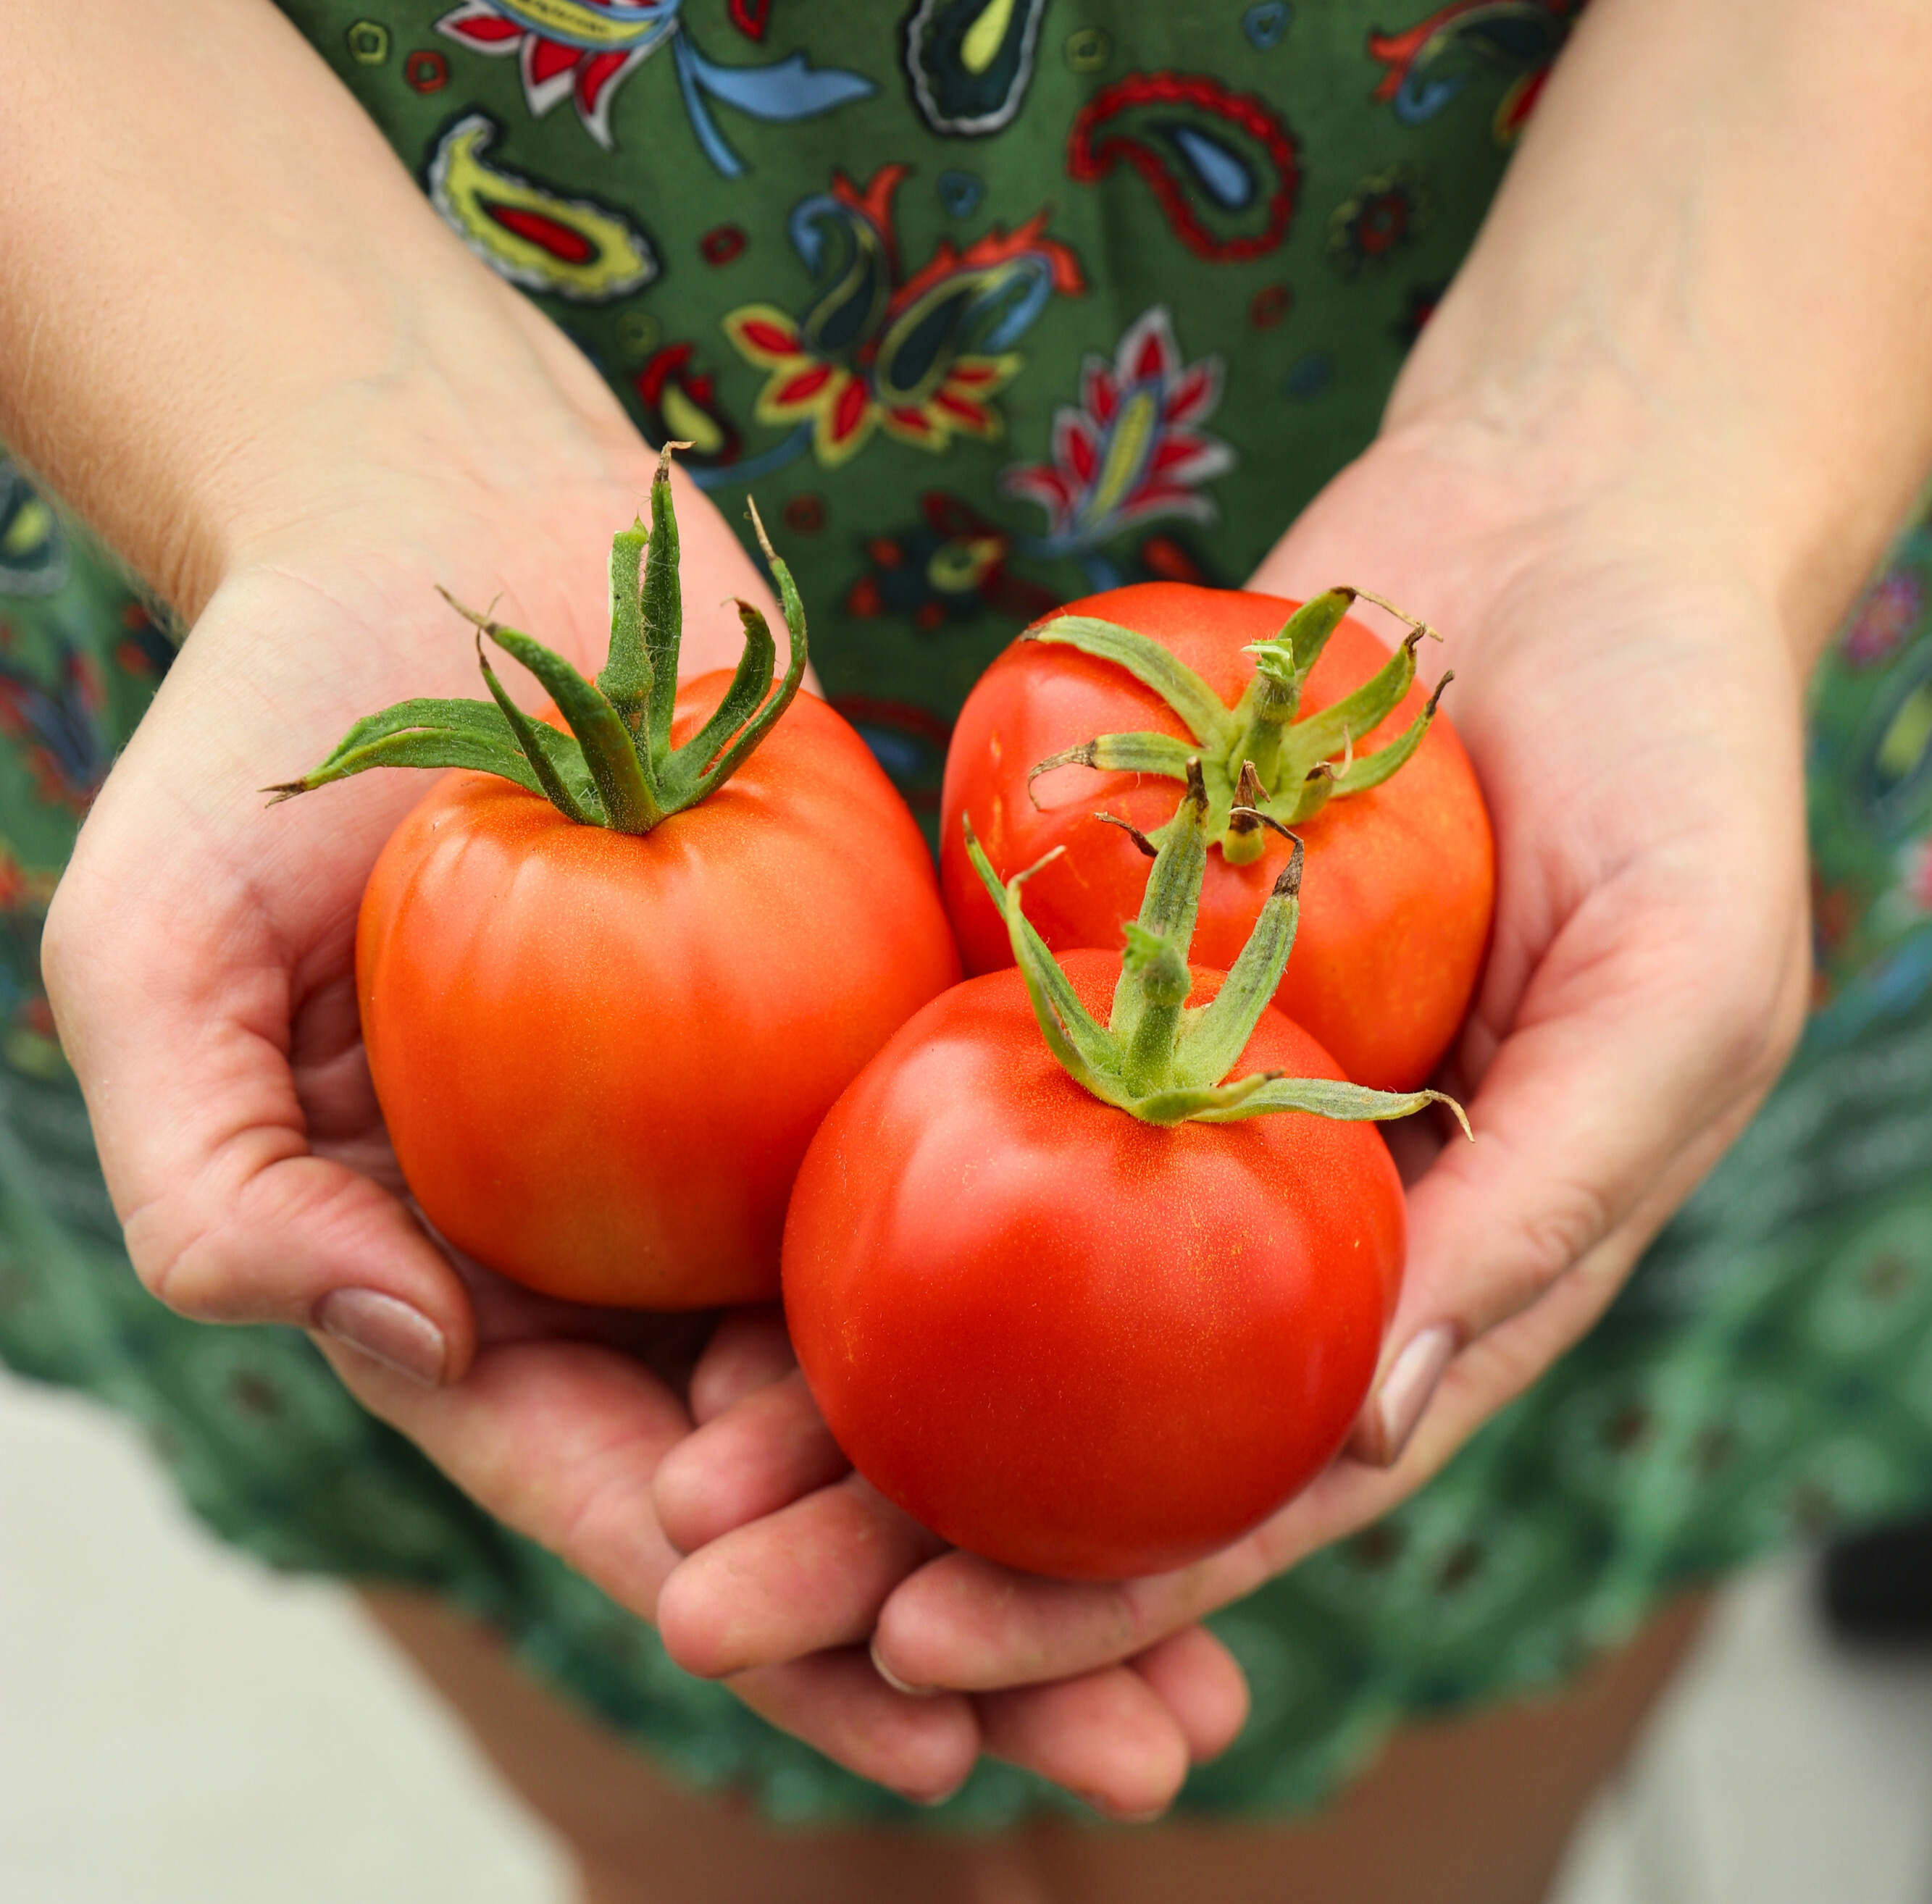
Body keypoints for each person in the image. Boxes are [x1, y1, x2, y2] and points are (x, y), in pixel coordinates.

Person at [6, 0, 1932, 1897]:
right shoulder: (447, 869)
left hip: (1678, 409)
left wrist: (1660, 435)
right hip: (208, 334)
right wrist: (304, 428)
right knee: (694, 1818)